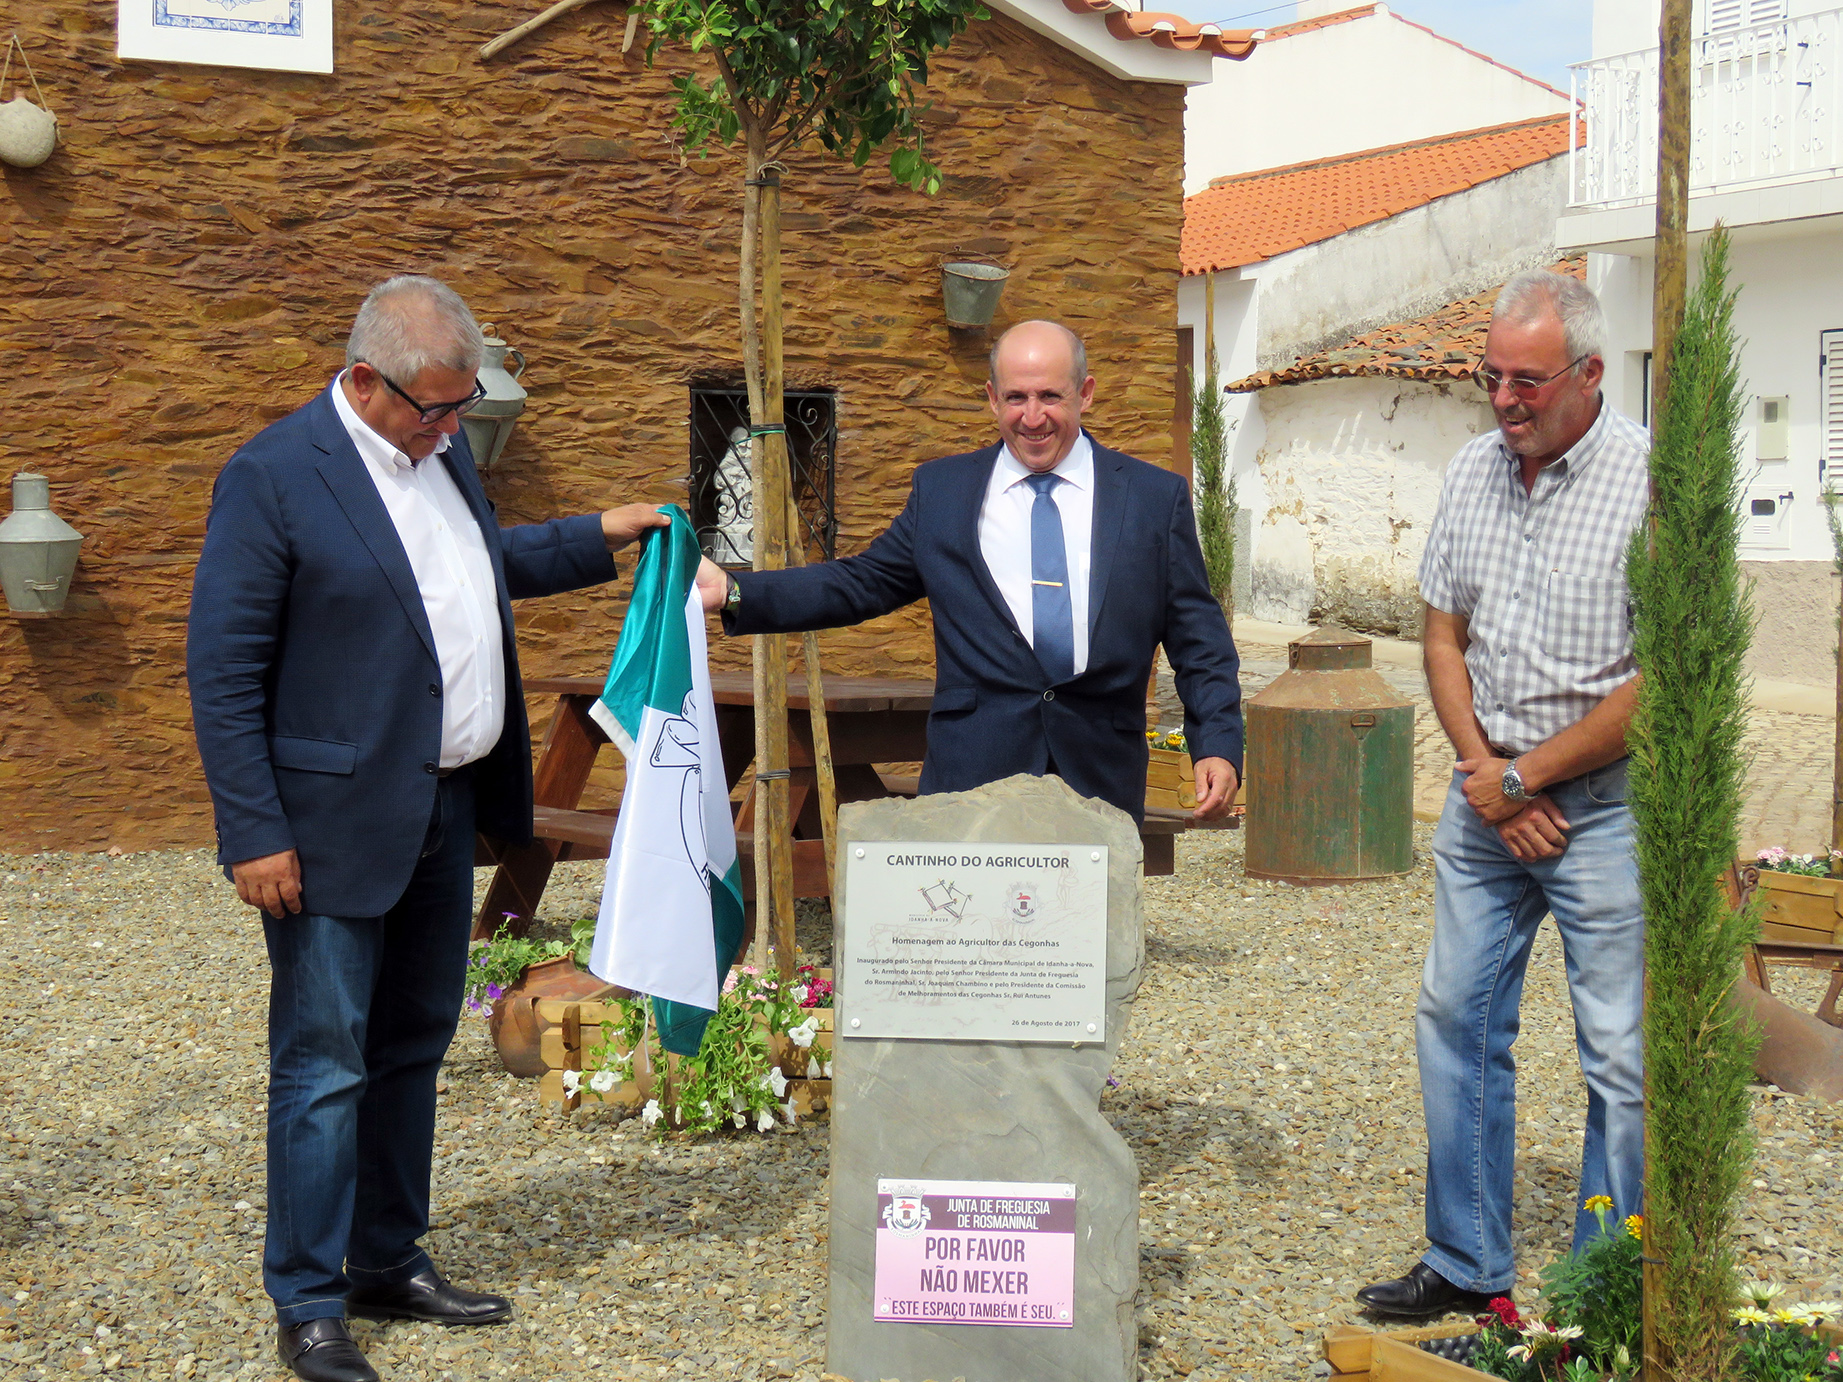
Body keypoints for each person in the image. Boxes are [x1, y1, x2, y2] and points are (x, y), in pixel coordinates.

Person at [187, 275, 669, 1382]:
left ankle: (385, 1256)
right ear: (364, 380)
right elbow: (222, 668)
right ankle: (307, 1299)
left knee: (410, 1046)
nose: (455, 428)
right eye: (436, 408)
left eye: (463, 407)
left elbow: (474, 575)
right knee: (321, 1065)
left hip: (443, 807)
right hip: (326, 825)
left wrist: (601, 534)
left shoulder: (440, 454)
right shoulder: (274, 475)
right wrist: (253, 828)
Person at [1357, 271, 1649, 1317]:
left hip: (1602, 807)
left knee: (1618, 1049)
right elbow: (1442, 633)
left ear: (1589, 373)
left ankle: (1599, 1283)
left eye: (1527, 380)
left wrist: (1529, 775)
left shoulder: (1647, 484)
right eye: (1491, 377)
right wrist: (1488, 774)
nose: (1504, 400)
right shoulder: (1475, 472)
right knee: (1454, 1013)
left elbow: (1657, 684)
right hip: (1490, 796)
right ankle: (1467, 1257)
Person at [693, 319, 1243, 821]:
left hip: (1100, 775)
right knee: (968, 926)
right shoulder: (944, 491)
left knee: (1087, 929)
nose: (1032, 417)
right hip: (973, 771)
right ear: (990, 399)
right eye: (1015, 397)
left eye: (1050, 395)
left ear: (1086, 393)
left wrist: (1215, 741)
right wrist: (735, 590)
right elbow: (861, 582)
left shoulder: (1151, 497)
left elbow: (1199, 639)